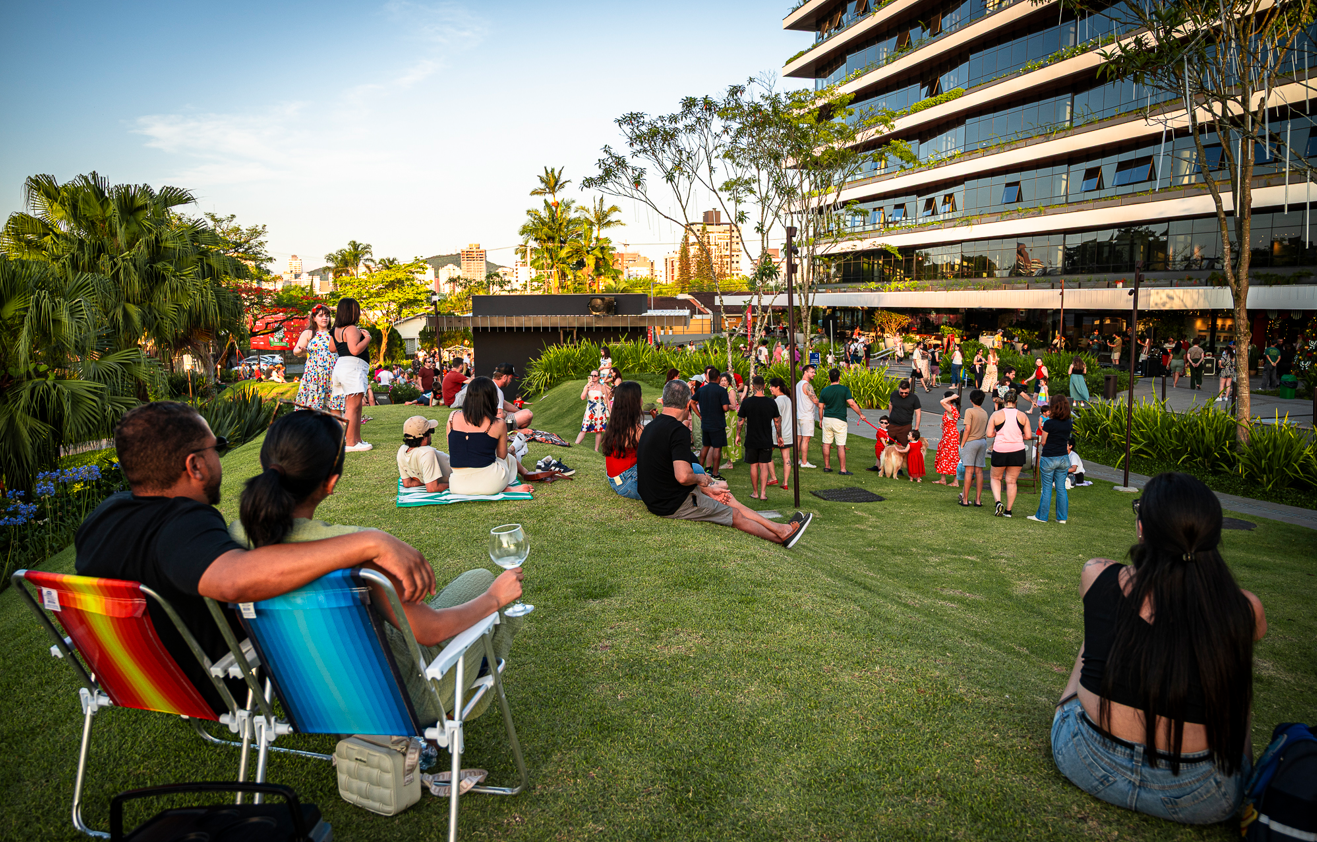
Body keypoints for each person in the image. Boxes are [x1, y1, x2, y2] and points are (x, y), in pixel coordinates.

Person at [73, 401, 434, 713]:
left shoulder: (102, 518)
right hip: (217, 681)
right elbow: (235, 579)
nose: (219, 457)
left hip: (136, 677)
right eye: (218, 447)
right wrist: (369, 542)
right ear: (195, 466)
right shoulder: (182, 524)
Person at [230, 410, 524, 725]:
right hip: (397, 697)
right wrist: (495, 599)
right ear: (331, 483)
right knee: (492, 590)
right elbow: (429, 630)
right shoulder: (354, 554)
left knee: (475, 580)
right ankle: (451, 714)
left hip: (306, 696)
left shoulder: (236, 540)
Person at [1051, 472, 1267, 825]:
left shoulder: (1098, 575)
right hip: (1202, 793)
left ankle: (1067, 705)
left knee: (1099, 625)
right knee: (1231, 668)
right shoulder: (1243, 609)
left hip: (1086, 757)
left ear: (1142, 529)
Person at [636, 379, 811, 546]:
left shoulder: (652, 425)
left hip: (657, 498)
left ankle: (781, 529)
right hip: (671, 503)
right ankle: (782, 536)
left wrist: (706, 487)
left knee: (726, 497)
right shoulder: (677, 430)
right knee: (734, 514)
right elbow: (683, 476)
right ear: (687, 403)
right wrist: (702, 480)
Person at [445, 377, 531, 495]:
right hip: (491, 484)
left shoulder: (452, 417)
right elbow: (502, 456)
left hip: (457, 485)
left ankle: (518, 461)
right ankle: (509, 484)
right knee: (508, 458)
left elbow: (454, 448)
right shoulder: (498, 423)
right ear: (491, 398)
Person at [330, 298, 373, 452]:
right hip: (353, 368)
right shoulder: (352, 329)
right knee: (352, 407)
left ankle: (357, 439)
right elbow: (355, 350)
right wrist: (367, 338)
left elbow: (332, 348)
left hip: (341, 367)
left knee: (355, 407)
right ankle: (350, 443)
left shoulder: (336, 329)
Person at [986, 389, 1033, 518]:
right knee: (1011, 481)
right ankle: (1008, 510)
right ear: (1016, 401)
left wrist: (998, 433)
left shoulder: (996, 414)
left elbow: (989, 434)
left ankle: (998, 502)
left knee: (996, 478)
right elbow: (1028, 436)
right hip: (1017, 450)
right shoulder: (1023, 416)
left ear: (1004, 401)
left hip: (1001, 449)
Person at [1028, 396, 1073, 524]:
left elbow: (1043, 441)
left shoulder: (1049, 423)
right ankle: (1062, 517)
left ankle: (1042, 516)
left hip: (1049, 457)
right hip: (1064, 457)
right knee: (1061, 488)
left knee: (1047, 488)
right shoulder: (1068, 423)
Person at [737, 376, 780, 501]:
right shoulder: (771, 402)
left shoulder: (747, 402)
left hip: (751, 439)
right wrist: (780, 436)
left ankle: (755, 492)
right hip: (766, 439)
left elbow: (740, 421)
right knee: (764, 466)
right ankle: (763, 494)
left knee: (753, 466)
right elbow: (777, 421)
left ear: (752, 387)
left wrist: (738, 435)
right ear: (765, 386)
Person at [602, 381, 645, 500]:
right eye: (640, 396)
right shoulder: (637, 430)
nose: (642, 399)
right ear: (634, 401)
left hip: (614, 479)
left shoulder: (614, 425)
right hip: (629, 482)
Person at [819, 368, 863, 475]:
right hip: (839, 419)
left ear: (829, 378)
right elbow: (851, 403)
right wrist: (860, 414)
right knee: (840, 445)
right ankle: (842, 469)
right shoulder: (844, 389)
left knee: (826, 443)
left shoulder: (824, 391)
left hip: (827, 418)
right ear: (839, 378)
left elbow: (820, 407)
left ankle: (827, 466)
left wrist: (820, 419)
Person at [398, 415, 452, 493]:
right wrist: (454, 484)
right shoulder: (427, 452)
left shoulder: (402, 450)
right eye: (430, 431)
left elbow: (407, 483)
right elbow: (432, 488)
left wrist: (427, 481)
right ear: (424, 436)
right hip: (462, 473)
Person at [695, 367, 732, 480]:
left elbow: (692, 402)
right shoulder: (721, 390)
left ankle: (699, 470)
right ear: (718, 378)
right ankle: (715, 473)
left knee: (705, 446)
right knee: (717, 448)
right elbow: (725, 408)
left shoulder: (702, 389)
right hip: (717, 423)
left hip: (705, 422)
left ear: (708, 377)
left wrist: (699, 414)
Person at [958, 389, 989, 507]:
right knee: (979, 471)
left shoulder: (969, 411)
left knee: (969, 471)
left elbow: (967, 429)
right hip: (982, 441)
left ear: (971, 400)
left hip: (971, 441)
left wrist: (962, 443)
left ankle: (965, 499)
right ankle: (978, 500)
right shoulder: (984, 412)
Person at [769, 377, 794, 492]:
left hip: (777, 432)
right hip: (788, 432)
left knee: (767, 454)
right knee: (786, 458)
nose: (770, 389)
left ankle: (773, 477)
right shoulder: (789, 400)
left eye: (771, 387)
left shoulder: (777, 401)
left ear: (777, 387)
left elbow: (776, 418)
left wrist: (778, 435)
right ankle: (785, 482)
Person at [795, 364, 823, 468]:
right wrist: (824, 406)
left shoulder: (798, 384)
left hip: (799, 414)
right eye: (811, 372)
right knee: (805, 440)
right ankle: (804, 462)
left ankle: (797, 459)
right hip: (806, 415)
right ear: (805, 372)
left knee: (798, 438)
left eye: (814, 372)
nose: (813, 374)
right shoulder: (807, 386)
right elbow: (815, 400)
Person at [575, 371, 610, 450]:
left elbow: (607, 399)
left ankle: (596, 449)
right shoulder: (587, 386)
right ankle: (576, 445)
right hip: (590, 410)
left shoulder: (602, 386)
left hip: (600, 410)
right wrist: (587, 387)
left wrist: (610, 411)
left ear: (598, 377)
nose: (593, 377)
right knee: (584, 428)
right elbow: (582, 397)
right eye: (592, 375)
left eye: (595, 375)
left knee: (599, 430)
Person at [933, 391, 960, 485]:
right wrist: (943, 424)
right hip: (947, 435)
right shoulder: (950, 409)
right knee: (944, 455)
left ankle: (955, 481)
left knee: (952, 457)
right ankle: (943, 479)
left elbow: (942, 402)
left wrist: (951, 397)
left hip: (950, 436)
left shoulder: (950, 408)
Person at [886, 379, 922, 448]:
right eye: (901, 392)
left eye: (906, 393)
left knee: (904, 448)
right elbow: (890, 404)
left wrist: (916, 428)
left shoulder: (914, 398)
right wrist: (890, 416)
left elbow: (918, 413)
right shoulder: (893, 394)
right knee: (886, 446)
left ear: (909, 390)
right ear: (899, 389)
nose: (903, 395)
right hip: (892, 425)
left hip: (905, 427)